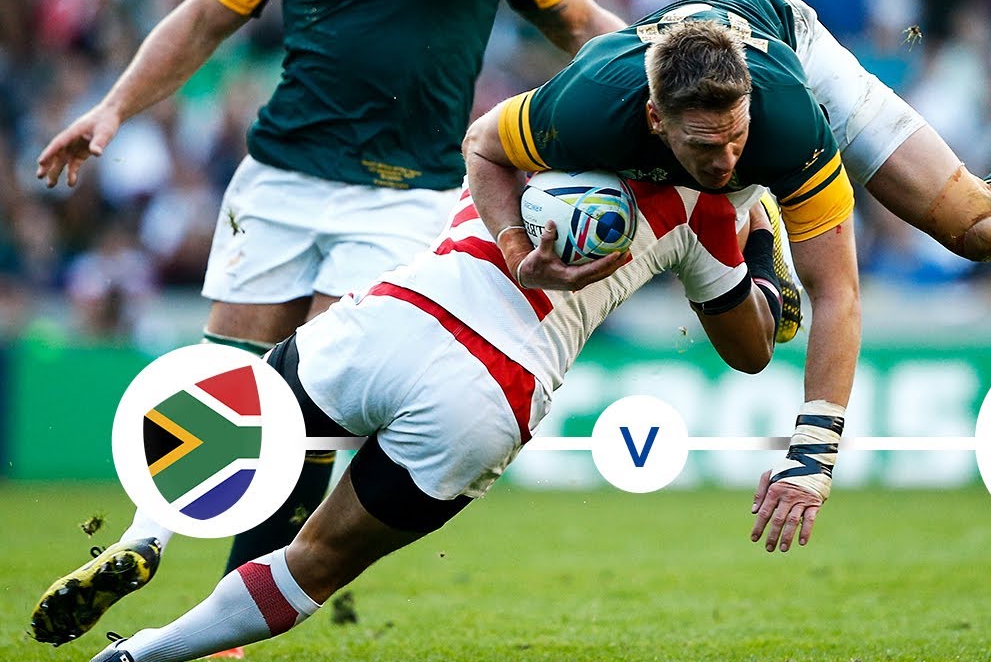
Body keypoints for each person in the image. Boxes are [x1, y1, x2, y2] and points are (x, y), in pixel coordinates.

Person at [462, 0, 991, 550]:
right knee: (747, 352)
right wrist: (517, 249)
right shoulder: (581, 108)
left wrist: (812, 458)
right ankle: (755, 228)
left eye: (735, 140)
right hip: (669, 101)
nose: (726, 157)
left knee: (977, 229)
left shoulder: (785, 121)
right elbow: (482, 147)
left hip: (791, 46)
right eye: (707, 147)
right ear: (654, 120)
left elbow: (838, 293)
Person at [31, 0, 625, 650]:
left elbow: (584, 26)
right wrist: (112, 108)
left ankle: (148, 537)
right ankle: (197, 605)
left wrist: (663, 71)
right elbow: (586, 26)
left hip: (378, 193)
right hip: (297, 177)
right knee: (279, 399)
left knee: (266, 387)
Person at [86, 177, 787, 662]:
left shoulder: (552, 116)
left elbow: (482, 139)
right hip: (496, 387)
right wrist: (760, 246)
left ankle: (148, 532)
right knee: (317, 562)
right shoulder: (710, 210)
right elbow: (756, 347)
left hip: (401, 315)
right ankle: (143, 656)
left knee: (226, 418)